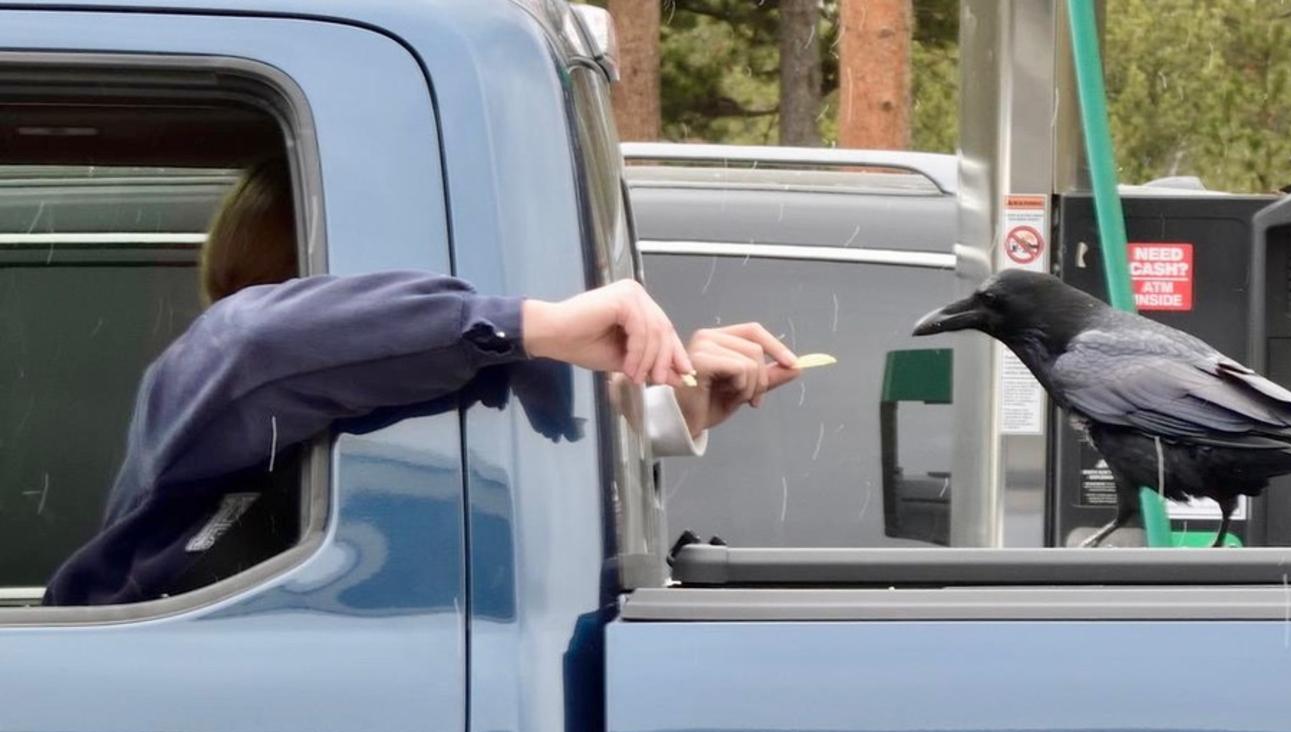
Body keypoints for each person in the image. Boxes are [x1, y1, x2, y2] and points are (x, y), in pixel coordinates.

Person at [43, 158, 801, 606]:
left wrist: (670, 402)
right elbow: (256, 342)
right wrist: (522, 323)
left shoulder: (406, 376)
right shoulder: (212, 367)